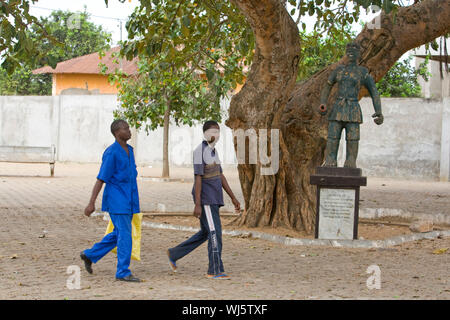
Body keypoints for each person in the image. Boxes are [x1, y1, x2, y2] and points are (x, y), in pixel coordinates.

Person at [167, 120, 241, 280]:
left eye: (218, 132)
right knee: (215, 233)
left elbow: (220, 175)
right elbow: (198, 178)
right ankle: (214, 269)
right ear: (205, 134)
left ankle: (174, 253)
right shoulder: (199, 152)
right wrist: (198, 204)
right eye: (213, 132)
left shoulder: (213, 152)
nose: (216, 135)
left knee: (206, 233)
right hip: (206, 199)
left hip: (214, 198)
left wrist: (233, 197)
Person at [80, 119, 141, 282]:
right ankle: (122, 272)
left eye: (129, 128)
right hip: (117, 201)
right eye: (126, 128)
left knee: (118, 234)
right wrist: (91, 202)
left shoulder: (130, 150)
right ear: (117, 132)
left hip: (130, 200)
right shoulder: (111, 152)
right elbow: (101, 179)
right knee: (125, 235)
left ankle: (89, 254)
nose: (129, 131)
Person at [319, 41, 384, 168]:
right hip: (338, 108)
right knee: (333, 137)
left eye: (354, 49)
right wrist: (323, 102)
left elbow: (374, 92)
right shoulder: (339, 70)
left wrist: (379, 111)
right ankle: (330, 160)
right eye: (348, 49)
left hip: (353, 109)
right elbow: (328, 85)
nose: (351, 52)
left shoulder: (362, 72)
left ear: (359, 53)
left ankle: (351, 161)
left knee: (353, 138)